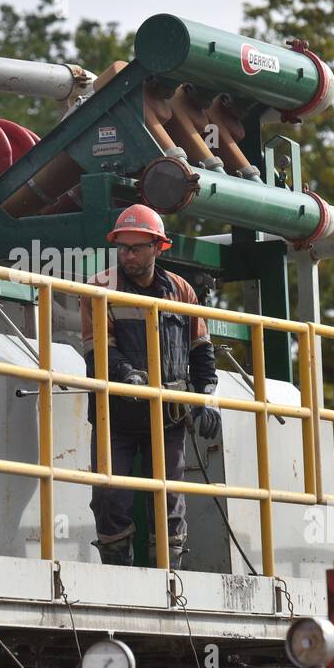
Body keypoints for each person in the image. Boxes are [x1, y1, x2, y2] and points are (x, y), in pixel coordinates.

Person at [80, 204, 221, 568]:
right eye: (123, 247)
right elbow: (98, 351)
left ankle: (169, 575)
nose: (128, 255)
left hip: (168, 414)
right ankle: (118, 573)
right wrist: (127, 375)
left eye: (137, 247)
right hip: (117, 414)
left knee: (168, 496)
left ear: (159, 247)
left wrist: (205, 398)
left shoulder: (181, 290)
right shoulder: (100, 287)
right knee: (111, 495)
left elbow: (200, 348)